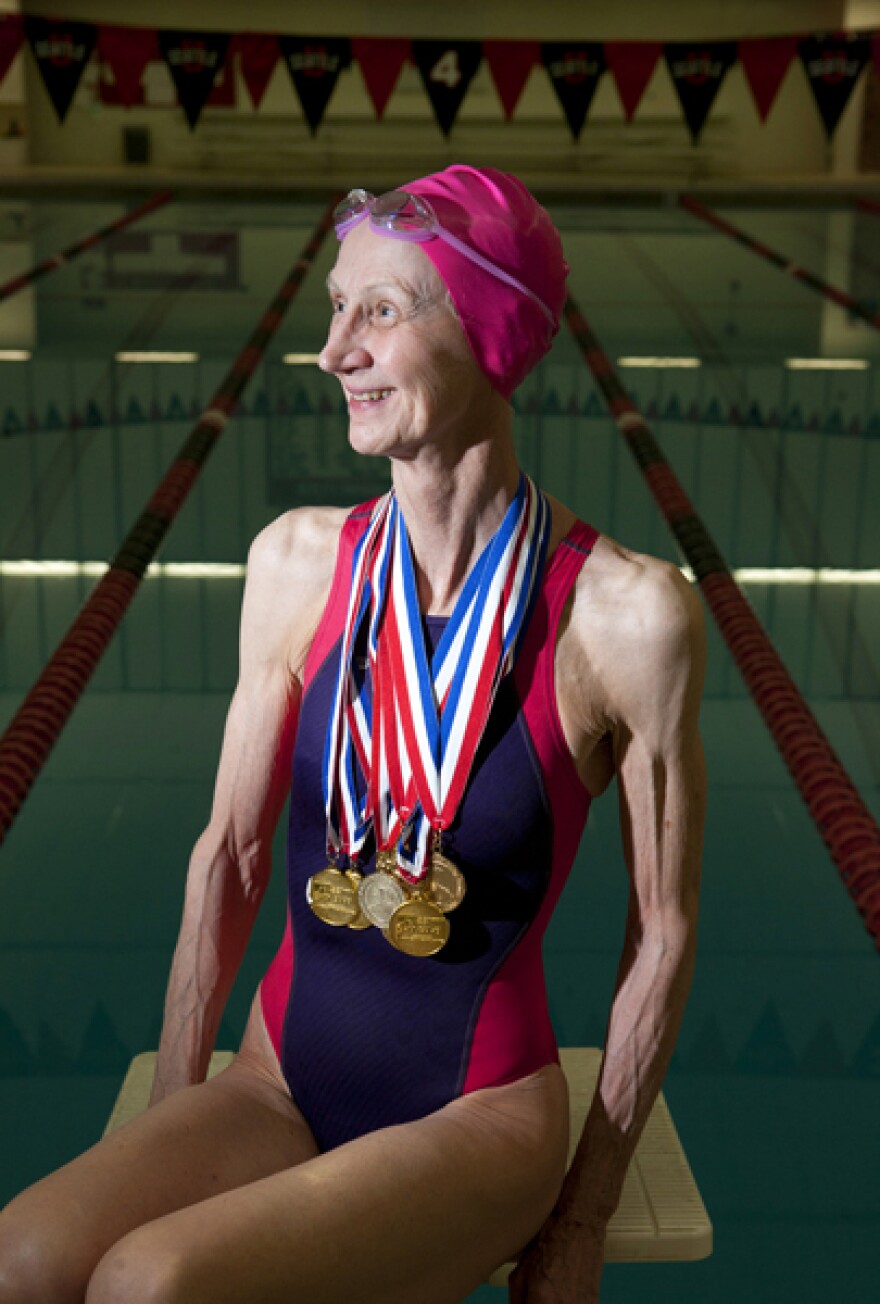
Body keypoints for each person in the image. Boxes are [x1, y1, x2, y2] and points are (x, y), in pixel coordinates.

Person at [0, 165, 705, 1304]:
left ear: (487, 328)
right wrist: (175, 1116)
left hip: (478, 1111)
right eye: (336, 307)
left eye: (379, 310)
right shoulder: (295, 565)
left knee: (150, 1285)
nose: (334, 351)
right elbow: (226, 858)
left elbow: (661, 937)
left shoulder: (626, 617)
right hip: (278, 1075)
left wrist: (580, 1219)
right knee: (22, 1260)